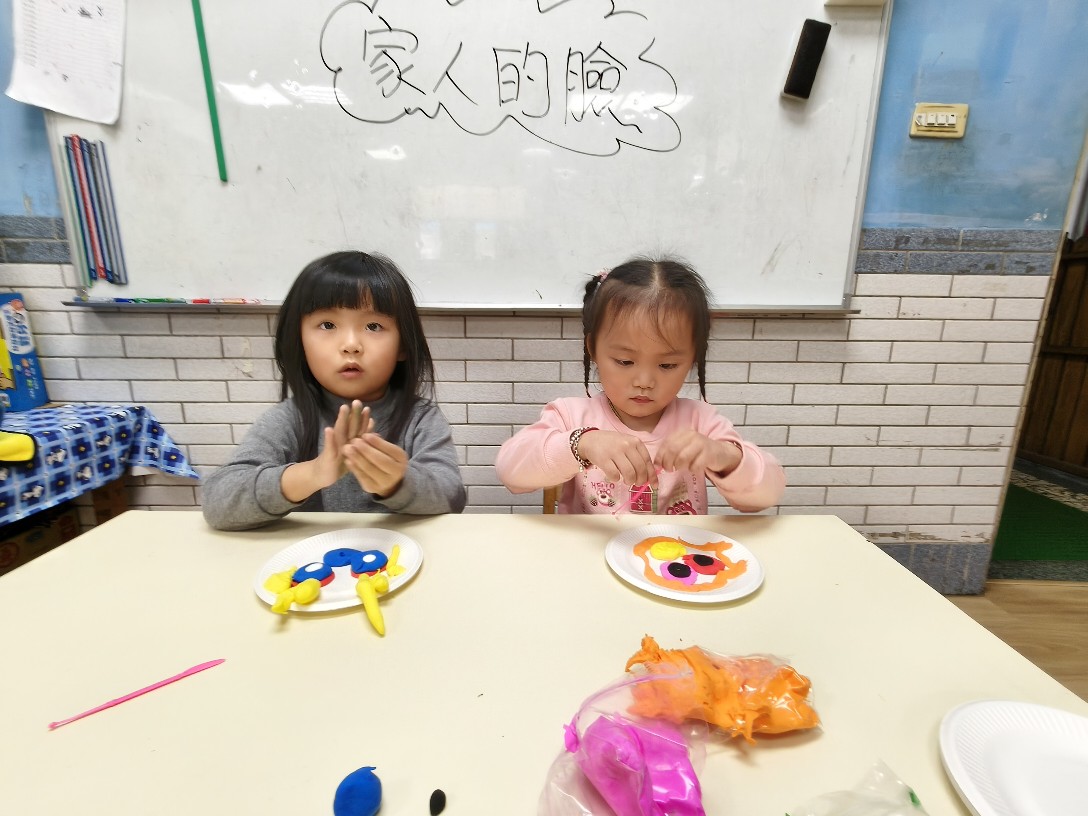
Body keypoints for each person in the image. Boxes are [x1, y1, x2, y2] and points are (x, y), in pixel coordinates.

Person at [495, 256, 785, 514]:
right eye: (624, 361)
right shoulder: (570, 416)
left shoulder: (701, 422)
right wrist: (581, 443)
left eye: (667, 365)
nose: (644, 382)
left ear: (692, 359)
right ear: (593, 349)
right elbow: (511, 473)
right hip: (589, 554)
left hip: (676, 556)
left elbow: (765, 496)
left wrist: (725, 456)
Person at [203, 251, 466, 530]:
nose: (351, 344)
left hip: (399, 555)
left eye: (373, 326)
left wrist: (398, 482)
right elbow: (218, 503)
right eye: (328, 325)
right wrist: (313, 473)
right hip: (310, 557)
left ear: (403, 346)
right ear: (300, 342)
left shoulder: (421, 418)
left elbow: (453, 497)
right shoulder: (290, 418)